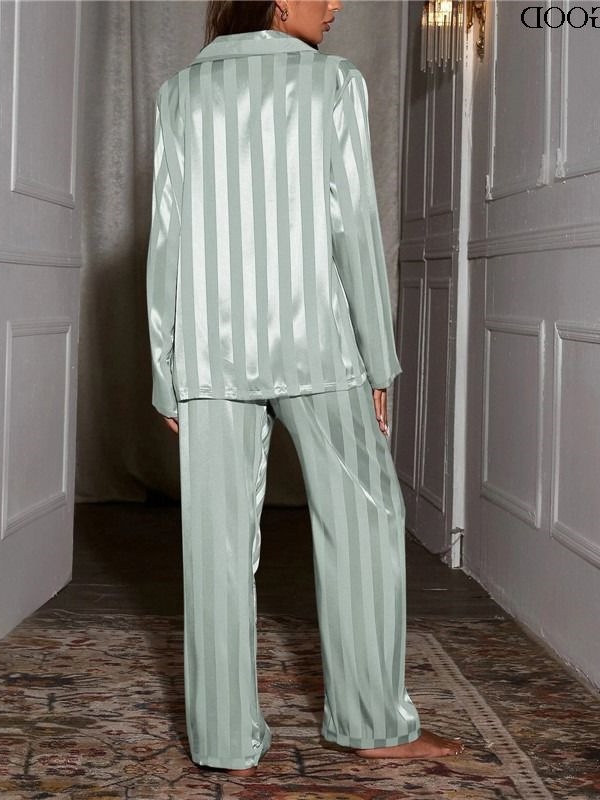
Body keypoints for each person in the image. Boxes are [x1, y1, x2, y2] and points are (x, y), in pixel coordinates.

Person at [145, 0, 465, 776]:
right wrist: (379, 357)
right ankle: (370, 723)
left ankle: (223, 740)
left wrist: (165, 369)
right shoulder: (333, 83)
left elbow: (167, 237)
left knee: (216, 545)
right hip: (316, 344)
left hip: (210, 354)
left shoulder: (181, 92)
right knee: (365, 521)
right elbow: (353, 224)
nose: (337, 5)